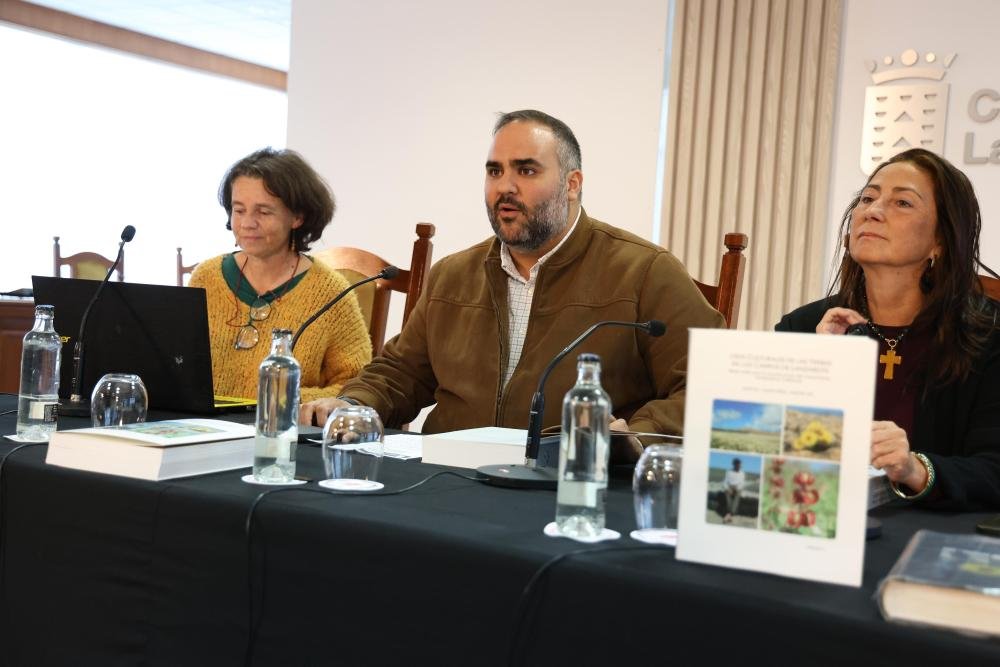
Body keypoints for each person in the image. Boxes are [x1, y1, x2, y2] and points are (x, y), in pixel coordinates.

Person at [300, 110, 725, 461]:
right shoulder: (452, 274)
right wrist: (352, 403)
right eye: (494, 171)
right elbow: (401, 373)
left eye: (526, 170)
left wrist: (635, 436)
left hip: (567, 484)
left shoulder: (644, 271)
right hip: (448, 478)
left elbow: (709, 386)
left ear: (572, 184)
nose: (505, 186)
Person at [776, 148, 1000, 510]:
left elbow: (993, 470)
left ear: (940, 241)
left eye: (902, 203)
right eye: (867, 198)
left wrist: (915, 470)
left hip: (933, 531)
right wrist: (819, 365)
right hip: (824, 518)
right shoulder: (803, 328)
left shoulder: (989, 336)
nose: (873, 211)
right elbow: (769, 450)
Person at [189, 148, 371, 402]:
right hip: (201, 424)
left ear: (297, 217)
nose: (247, 223)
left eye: (263, 212)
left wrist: (289, 399)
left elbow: (357, 387)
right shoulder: (206, 277)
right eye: (239, 210)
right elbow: (179, 365)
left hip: (282, 425)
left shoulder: (331, 292)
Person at [723, 458, 745, 523]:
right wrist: (728, 489)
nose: (740, 466)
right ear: (734, 465)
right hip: (729, 487)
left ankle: (728, 514)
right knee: (727, 496)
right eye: (738, 465)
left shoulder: (742, 473)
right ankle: (730, 515)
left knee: (737, 497)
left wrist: (736, 488)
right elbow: (725, 482)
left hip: (738, 488)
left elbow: (742, 483)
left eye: (740, 465)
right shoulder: (729, 471)